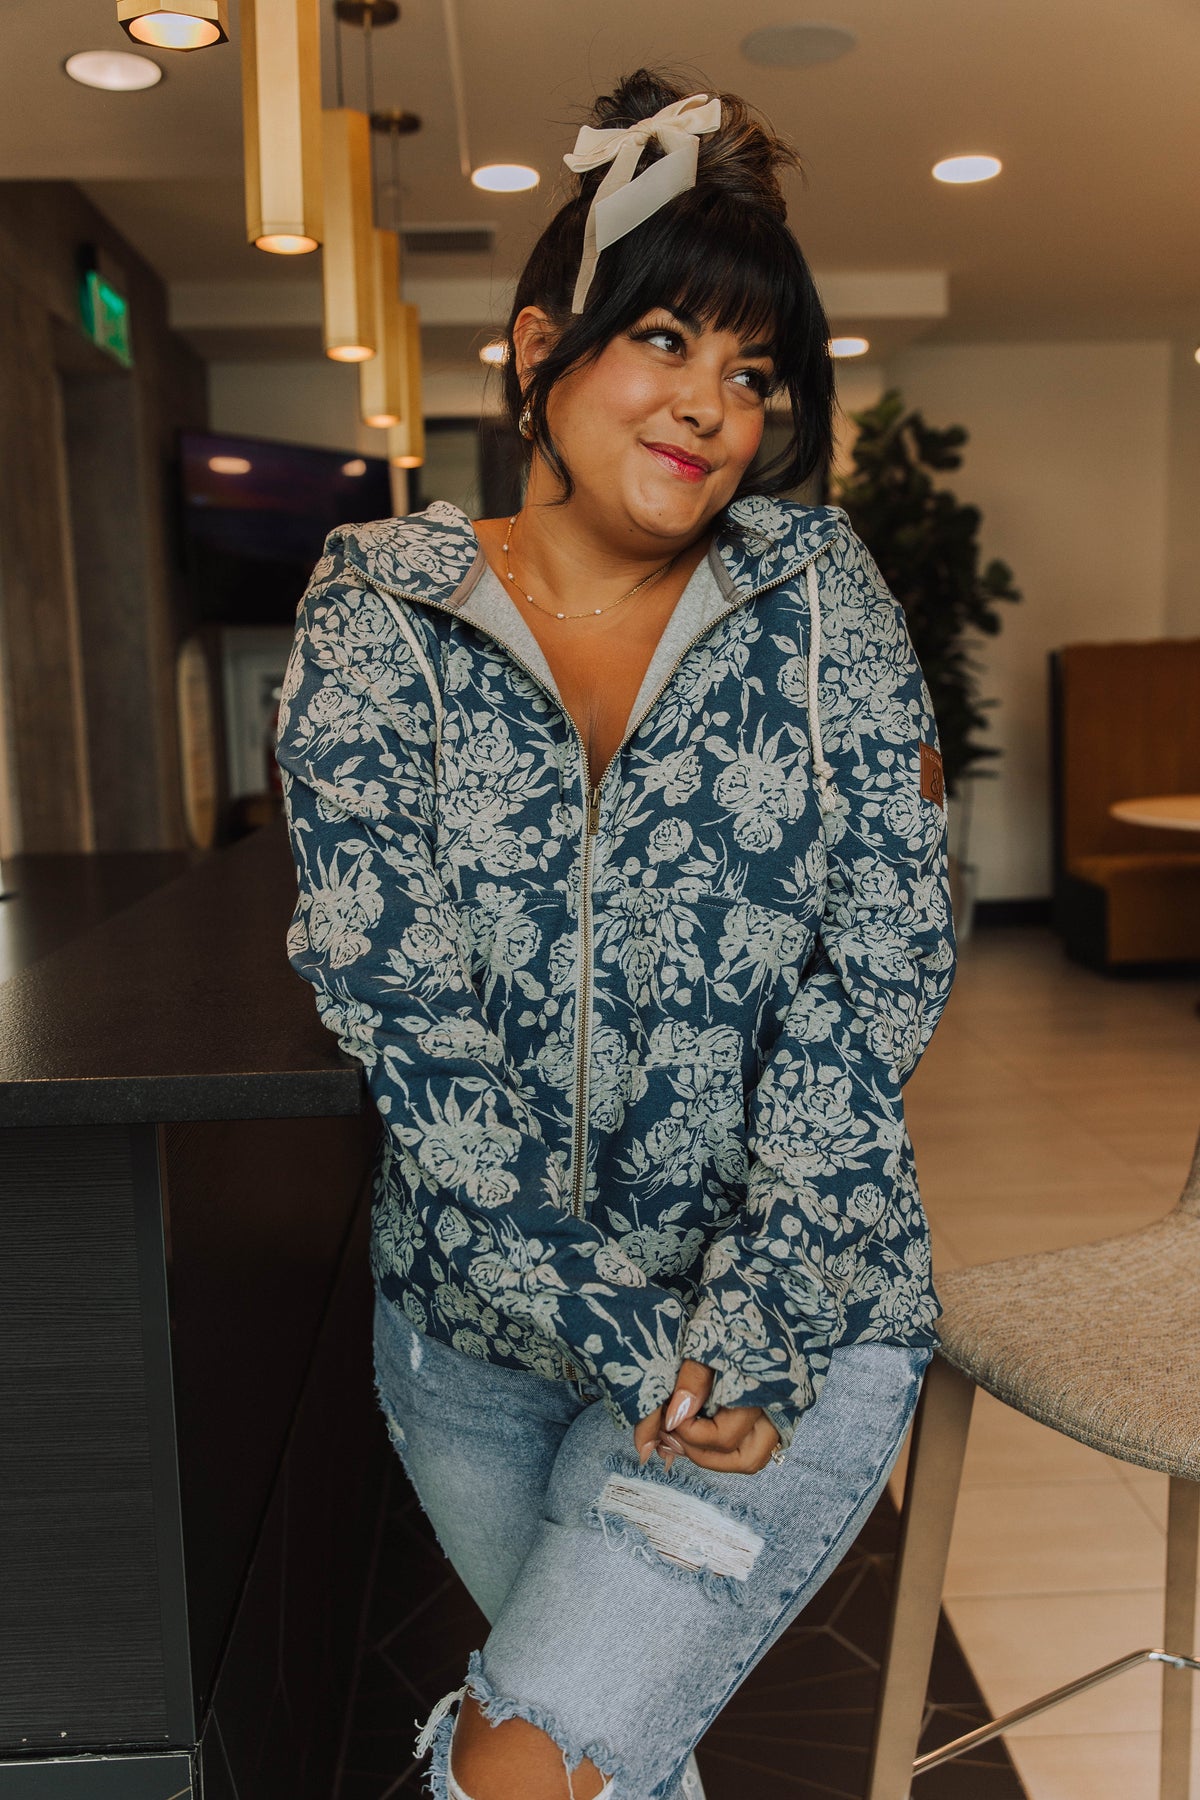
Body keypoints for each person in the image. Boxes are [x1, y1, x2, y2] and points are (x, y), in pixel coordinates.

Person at [275, 67, 955, 1800]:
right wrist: (630, 1342)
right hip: (476, 1347)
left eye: (754, 372)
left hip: (788, 1324)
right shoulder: (381, 608)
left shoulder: (819, 598)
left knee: (528, 1767)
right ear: (538, 350)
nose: (712, 406)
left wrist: (748, 1325)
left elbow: (879, 972)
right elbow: (400, 1007)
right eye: (663, 340)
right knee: (615, 1764)